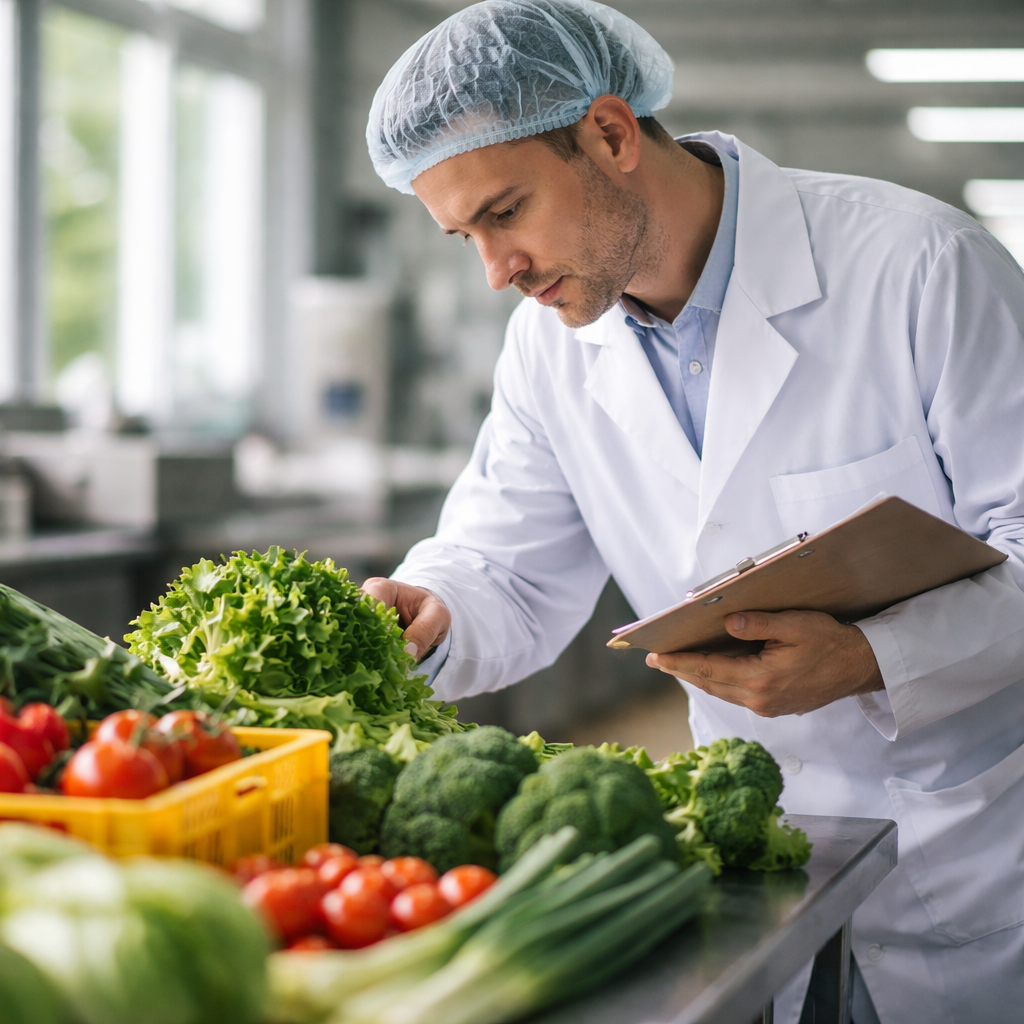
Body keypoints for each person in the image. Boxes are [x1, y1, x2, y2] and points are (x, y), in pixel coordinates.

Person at [359, 3, 1024, 1021]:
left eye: (503, 213)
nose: (497, 271)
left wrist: (872, 655)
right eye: (462, 236)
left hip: (971, 843)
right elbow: (505, 567)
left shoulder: (919, 266)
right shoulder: (549, 347)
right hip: (754, 853)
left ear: (611, 134)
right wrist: (433, 604)